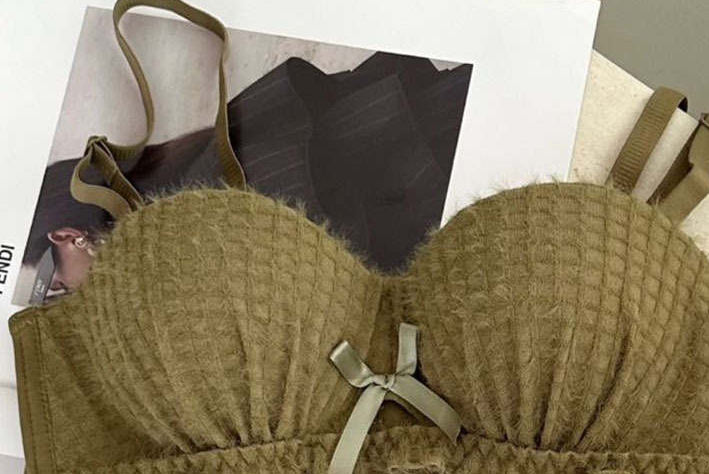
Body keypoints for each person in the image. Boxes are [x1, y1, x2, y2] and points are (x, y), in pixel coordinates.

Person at [20, 53, 471, 303]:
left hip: (444, 160)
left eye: (53, 283)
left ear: (67, 236)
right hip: (441, 147)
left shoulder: (195, 201)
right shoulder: (185, 183)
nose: (66, 293)